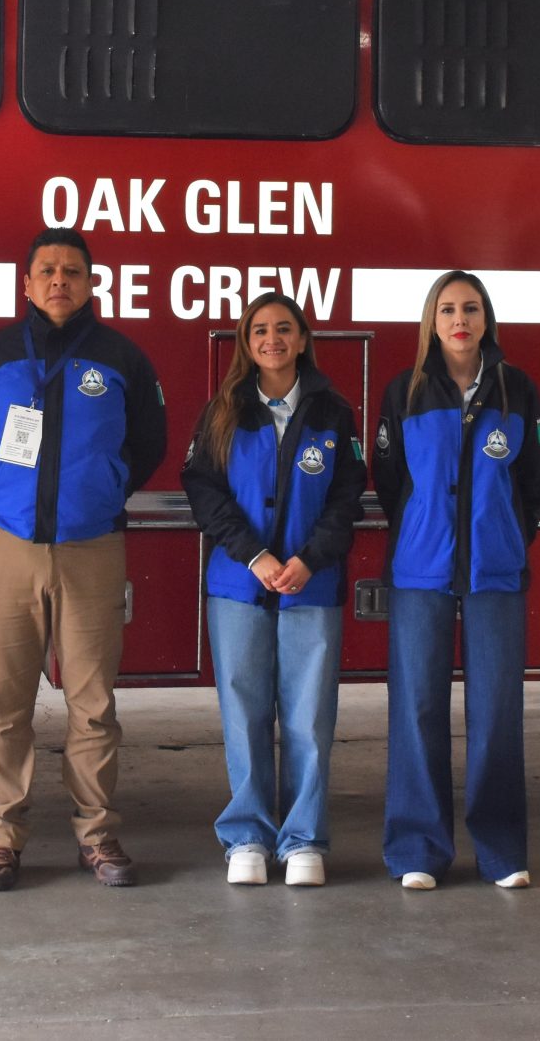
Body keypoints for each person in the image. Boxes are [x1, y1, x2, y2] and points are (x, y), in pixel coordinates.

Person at [0, 228, 166, 890]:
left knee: (93, 702)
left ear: (92, 282)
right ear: (26, 283)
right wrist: (5, 501)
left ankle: (96, 835)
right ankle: (2, 837)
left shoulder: (123, 358)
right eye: (46, 269)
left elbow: (149, 443)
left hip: (91, 547)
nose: (59, 280)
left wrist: (97, 494)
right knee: (5, 699)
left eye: (72, 270)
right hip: (8, 548)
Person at [372, 271, 540, 892]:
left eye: (470, 308)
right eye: (447, 308)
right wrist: (423, 532)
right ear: (431, 320)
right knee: (418, 709)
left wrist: (500, 533)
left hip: (494, 574)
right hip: (420, 571)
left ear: (486, 318)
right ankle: (418, 849)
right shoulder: (405, 392)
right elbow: (390, 480)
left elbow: (536, 482)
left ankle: (501, 852)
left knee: (496, 712)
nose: (460, 319)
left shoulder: (517, 390)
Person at [182, 292, 365, 888]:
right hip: (241, 586)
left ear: (304, 339)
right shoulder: (224, 411)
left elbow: (346, 499)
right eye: (259, 329)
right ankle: (248, 838)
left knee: (309, 717)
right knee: (245, 713)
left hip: (311, 585)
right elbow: (204, 490)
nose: (272, 339)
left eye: (284, 328)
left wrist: (310, 559)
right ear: (246, 341)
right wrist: (255, 554)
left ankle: (304, 839)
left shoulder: (333, 413)